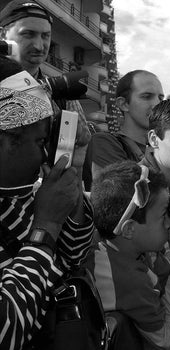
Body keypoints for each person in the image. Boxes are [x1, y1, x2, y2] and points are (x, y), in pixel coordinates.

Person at [0, 57, 94, 349]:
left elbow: (71, 257)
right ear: (7, 138)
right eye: (40, 142)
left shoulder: (16, 195)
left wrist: (73, 178)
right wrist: (46, 226)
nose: (44, 157)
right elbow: (6, 331)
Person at [88, 161, 170, 350]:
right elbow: (166, 339)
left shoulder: (142, 254)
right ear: (129, 230)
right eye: (163, 215)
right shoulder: (125, 277)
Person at [84, 70, 164, 189]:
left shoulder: (165, 147)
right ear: (123, 104)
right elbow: (118, 197)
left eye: (161, 98)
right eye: (147, 97)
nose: (157, 104)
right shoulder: (105, 142)